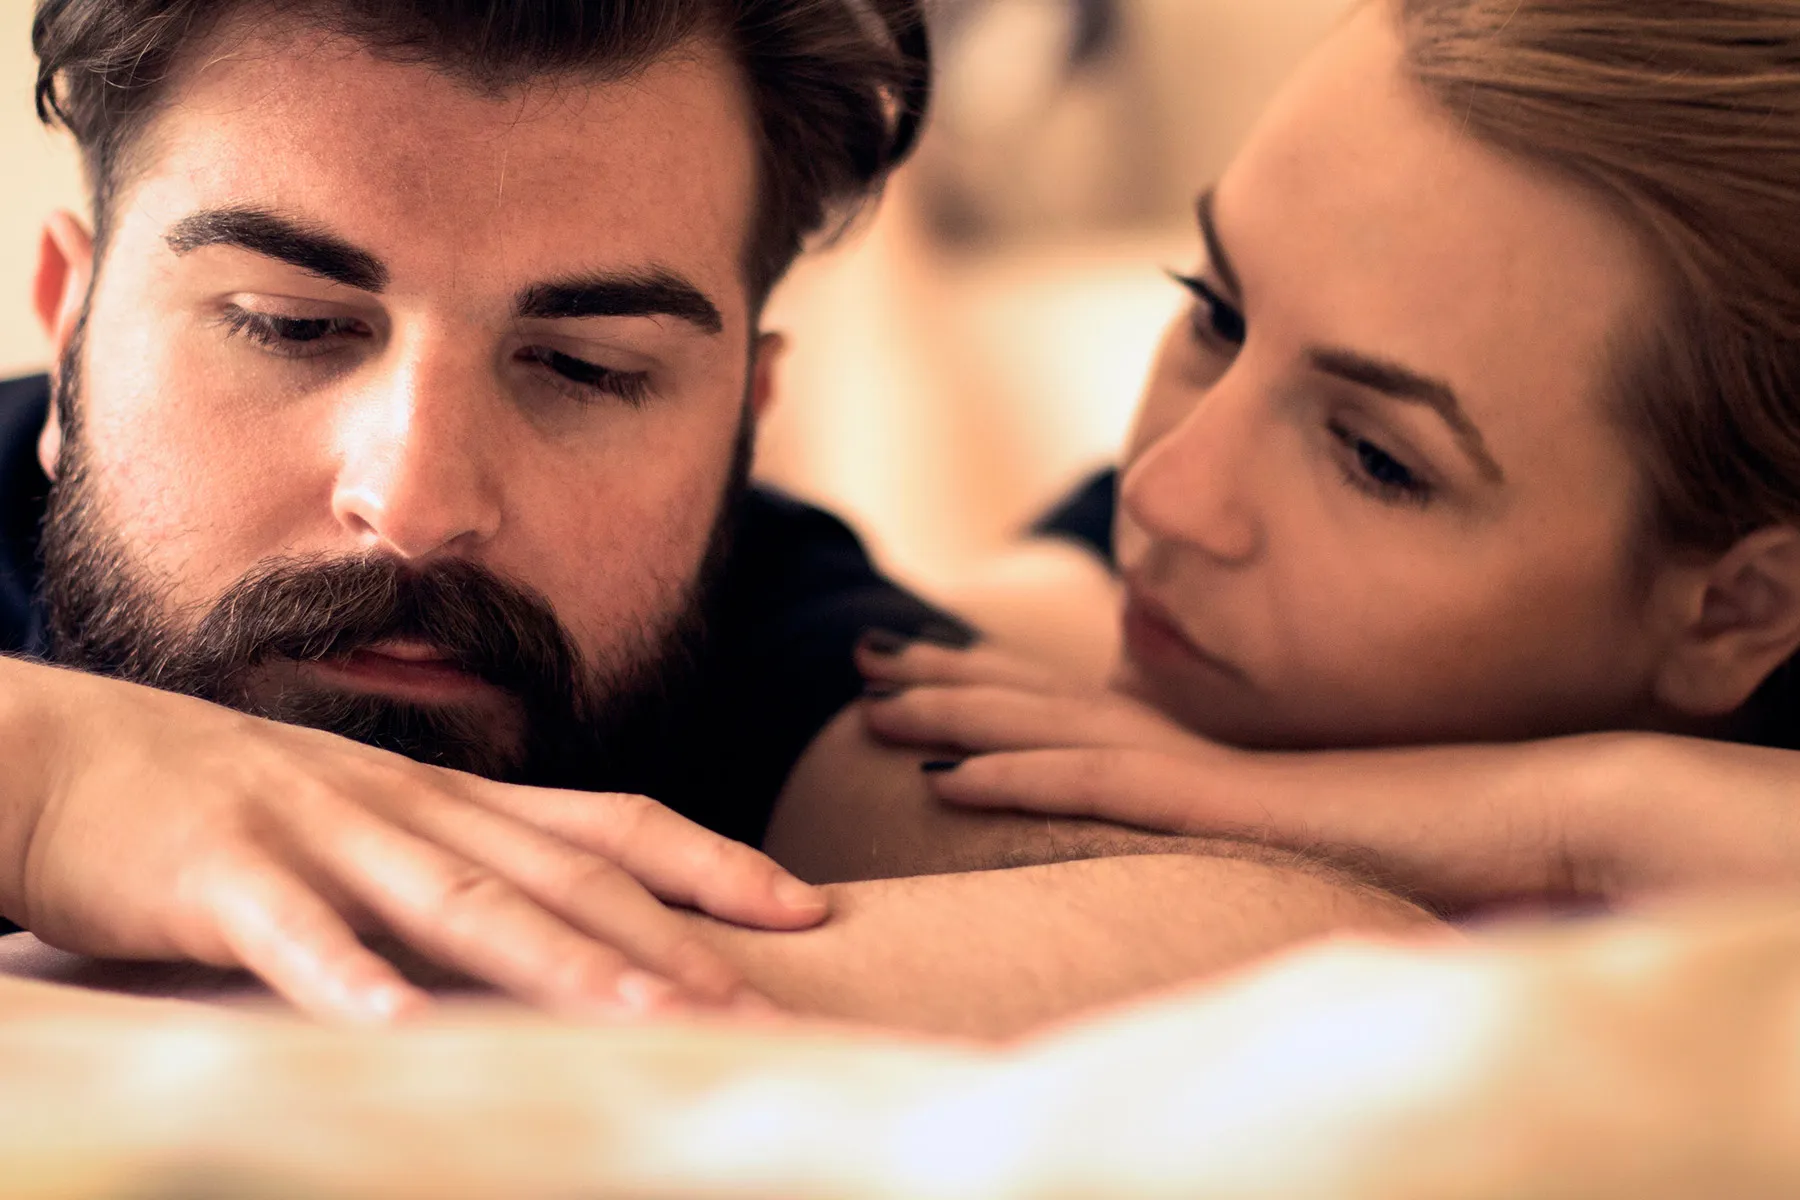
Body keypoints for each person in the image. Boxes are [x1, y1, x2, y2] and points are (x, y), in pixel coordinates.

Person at [0, 0, 1432, 1039]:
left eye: (587, 369)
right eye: (290, 325)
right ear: (68, 336)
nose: (419, 502)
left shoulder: (763, 622)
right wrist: (41, 774)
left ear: (744, 424)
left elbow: (1302, 944)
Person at [851, 0, 1800, 920]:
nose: (1166, 493)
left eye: (1377, 461)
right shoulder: (1206, 498)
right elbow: (956, 620)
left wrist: (1572, 817)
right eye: (1216, 311)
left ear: (1739, 609)